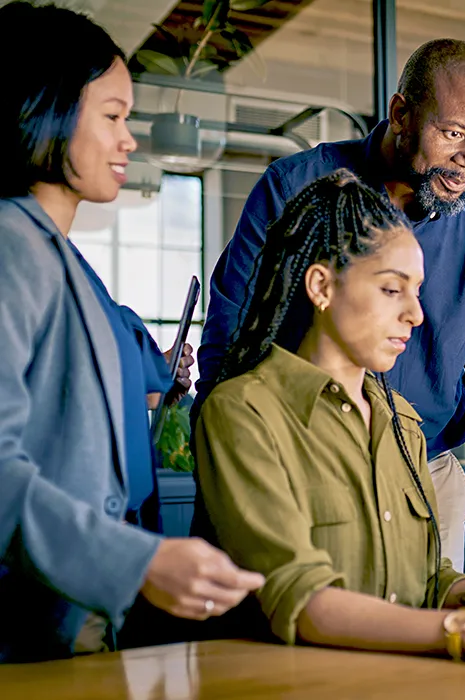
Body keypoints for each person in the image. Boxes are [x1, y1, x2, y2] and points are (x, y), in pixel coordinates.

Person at [195, 169, 465, 684]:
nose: (416, 315)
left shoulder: (400, 419)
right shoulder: (244, 412)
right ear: (321, 286)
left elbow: (429, 584)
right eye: (391, 289)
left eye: (417, 291)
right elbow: (304, 602)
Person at [194, 38, 465, 571]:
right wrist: (233, 463)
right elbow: (233, 345)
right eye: (454, 133)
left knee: (427, 615)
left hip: (423, 475)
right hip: (293, 462)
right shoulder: (295, 189)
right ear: (401, 113)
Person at [0, 1, 263, 663]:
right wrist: (135, 562)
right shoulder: (11, 247)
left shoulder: (62, 260)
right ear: (48, 111)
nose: (129, 141)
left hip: (74, 611)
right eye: (113, 116)